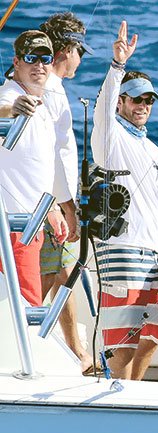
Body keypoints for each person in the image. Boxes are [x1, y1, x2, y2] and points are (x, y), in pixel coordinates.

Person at [91, 21, 158, 380]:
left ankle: (134, 395)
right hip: (121, 251)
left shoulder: (153, 149)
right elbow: (102, 108)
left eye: (148, 100)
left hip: (154, 255)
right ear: (122, 101)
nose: (143, 105)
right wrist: (117, 66)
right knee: (122, 344)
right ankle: (113, 409)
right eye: (136, 98)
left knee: (155, 334)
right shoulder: (110, 137)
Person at [39, 12, 96, 373]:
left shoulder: (45, 88)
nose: (81, 60)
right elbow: (54, 157)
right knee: (47, 277)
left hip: (48, 201)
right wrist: (68, 207)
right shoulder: (52, 92)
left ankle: (77, 351)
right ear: (66, 50)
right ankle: (25, 343)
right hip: (50, 205)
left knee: (63, 273)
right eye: (81, 52)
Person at [0, 30, 69, 306]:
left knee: (23, 307)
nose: (39, 65)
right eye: (31, 58)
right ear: (16, 62)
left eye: (45, 59)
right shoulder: (11, 94)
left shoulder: (42, 106)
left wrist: (52, 209)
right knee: (26, 308)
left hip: (32, 225)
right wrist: (12, 110)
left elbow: (34, 167)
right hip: (13, 228)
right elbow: (2, 108)